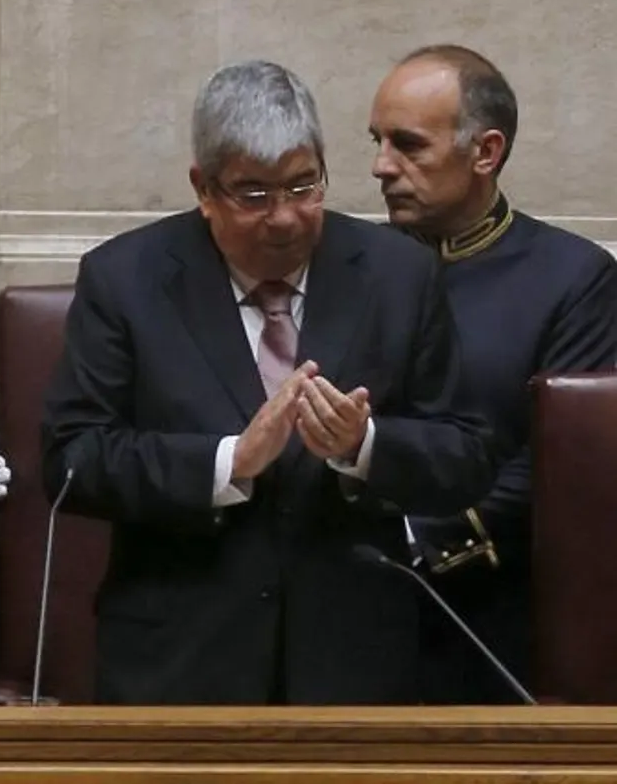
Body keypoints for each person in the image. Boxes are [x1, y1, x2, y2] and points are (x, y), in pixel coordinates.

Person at [41, 59, 494, 705]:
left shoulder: (400, 275)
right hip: (179, 668)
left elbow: (468, 451)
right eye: (253, 194)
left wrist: (363, 444)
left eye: (303, 185)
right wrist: (228, 461)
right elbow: (71, 458)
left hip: (354, 668)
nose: (284, 217)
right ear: (204, 187)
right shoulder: (126, 280)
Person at [369, 44, 617, 703]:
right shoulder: (356, 264)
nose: (381, 166)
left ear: (485, 151)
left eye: (407, 145)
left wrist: (418, 535)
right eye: (377, 141)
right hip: (347, 607)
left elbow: (561, 463)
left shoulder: (574, 278)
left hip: (490, 613)